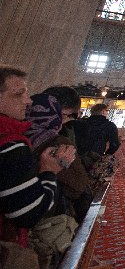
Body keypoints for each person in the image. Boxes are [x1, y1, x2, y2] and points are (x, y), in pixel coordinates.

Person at [0, 68, 75, 254]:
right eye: (19, 94)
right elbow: (28, 214)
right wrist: (49, 171)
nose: (28, 100)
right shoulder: (10, 144)